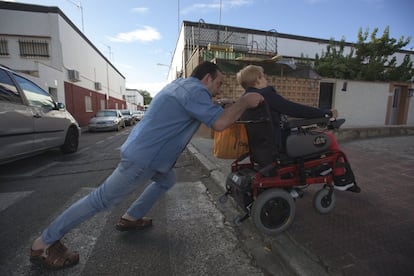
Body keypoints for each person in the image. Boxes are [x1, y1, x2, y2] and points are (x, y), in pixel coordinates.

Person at [30, 61, 264, 269]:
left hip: (145, 154)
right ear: (207, 79)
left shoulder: (181, 86)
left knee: (168, 179)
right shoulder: (195, 92)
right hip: (145, 159)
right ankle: (44, 243)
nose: (219, 90)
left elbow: (206, 106)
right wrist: (244, 101)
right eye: (219, 84)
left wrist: (223, 102)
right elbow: (221, 123)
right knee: (101, 199)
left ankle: (131, 217)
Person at [236, 64, 335, 147]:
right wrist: (324, 112)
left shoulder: (243, 99)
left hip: (259, 146)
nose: (266, 79)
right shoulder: (265, 95)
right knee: (323, 143)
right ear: (257, 80)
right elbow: (295, 109)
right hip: (276, 144)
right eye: (263, 76)